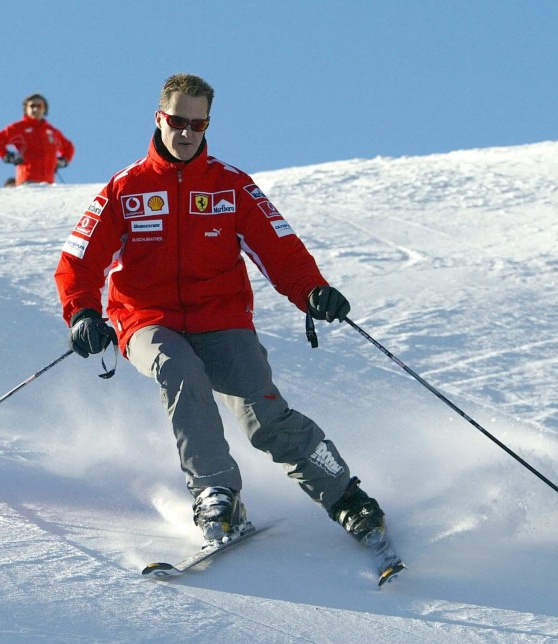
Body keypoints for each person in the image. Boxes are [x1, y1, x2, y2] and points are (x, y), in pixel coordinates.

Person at [54, 74, 396, 555]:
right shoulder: (125, 190)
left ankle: (346, 496)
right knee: (179, 370)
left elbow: (280, 249)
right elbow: (78, 260)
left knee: (266, 417)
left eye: (198, 123)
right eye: (178, 121)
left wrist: (313, 289)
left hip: (221, 317)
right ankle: (217, 494)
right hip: (147, 318)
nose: (187, 132)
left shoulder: (231, 187)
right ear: (160, 119)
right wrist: (84, 312)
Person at [0, 94, 74, 185]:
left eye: (39, 106)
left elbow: (69, 147)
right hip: (27, 180)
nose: (35, 109)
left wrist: (63, 161)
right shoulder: (19, 128)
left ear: (44, 109)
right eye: (32, 106)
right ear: (26, 109)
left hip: (49, 183)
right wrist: (8, 156)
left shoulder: (52, 131)